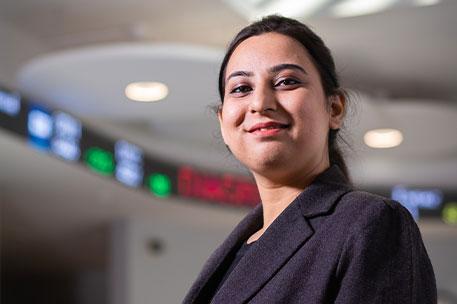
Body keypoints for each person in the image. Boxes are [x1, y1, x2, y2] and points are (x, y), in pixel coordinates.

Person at [183, 15, 436, 304]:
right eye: (241, 88)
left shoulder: (371, 224)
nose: (260, 103)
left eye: (286, 82)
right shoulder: (233, 251)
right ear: (222, 122)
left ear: (335, 108)